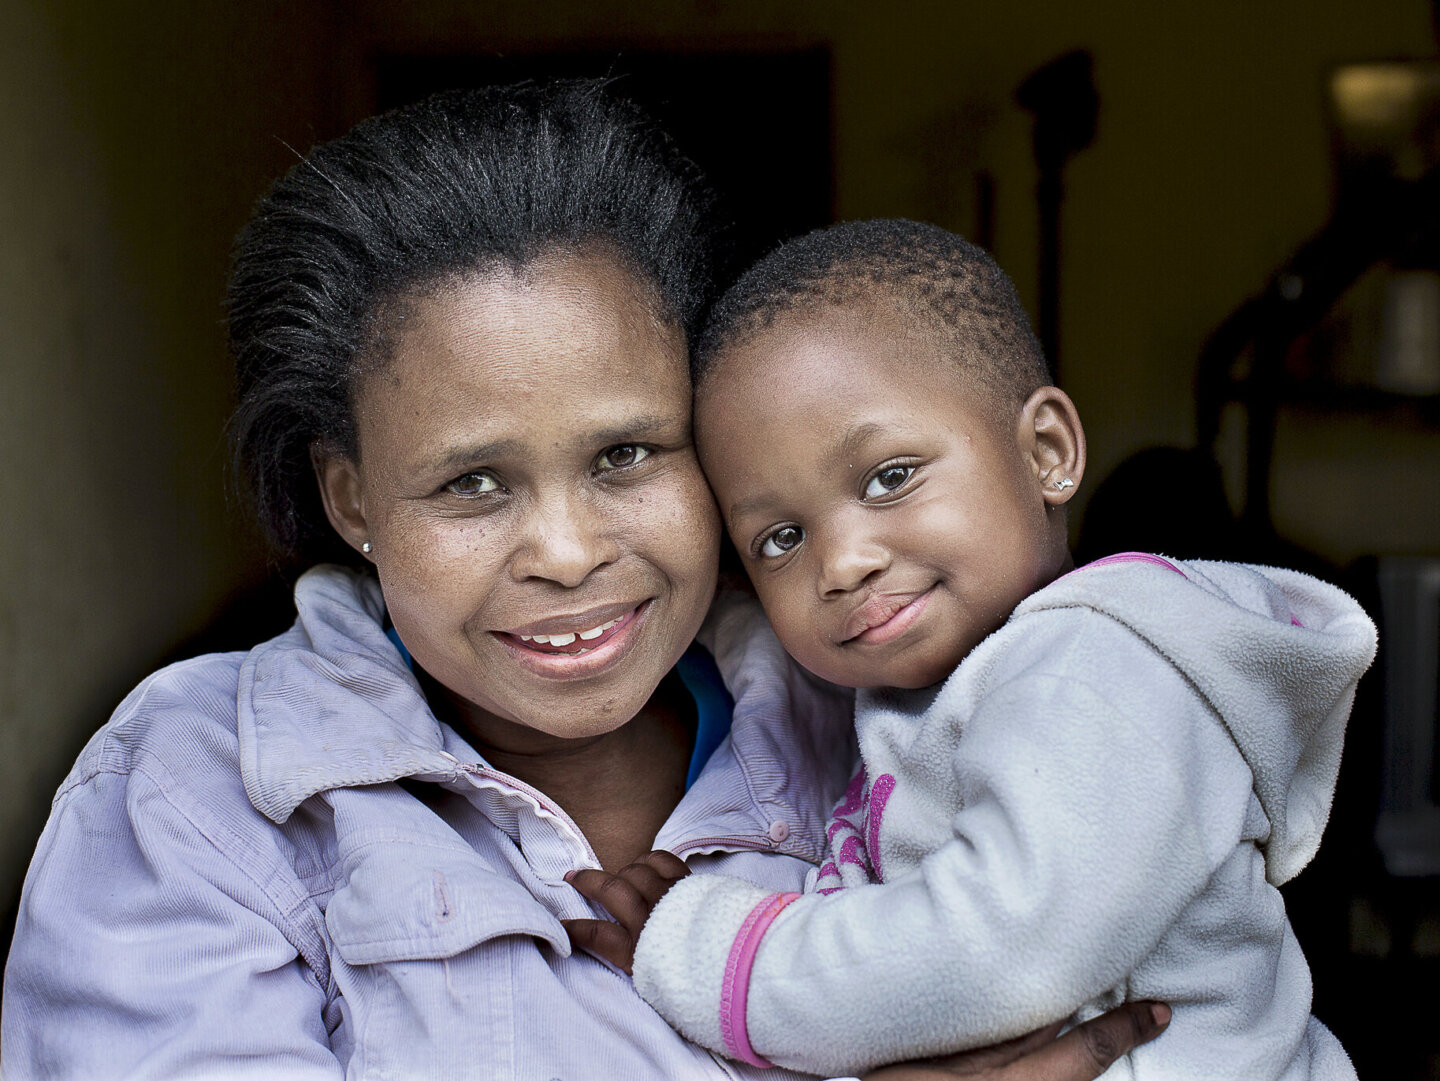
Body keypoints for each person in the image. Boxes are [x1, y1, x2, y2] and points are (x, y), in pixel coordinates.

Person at [1, 87, 1168, 1079]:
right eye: (471, 482)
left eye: (626, 454)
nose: (565, 552)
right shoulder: (200, 798)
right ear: (351, 498)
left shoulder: (899, 724)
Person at [565, 220, 1377, 1079]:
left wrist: (713, 951)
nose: (841, 564)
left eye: (890, 477)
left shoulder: (1103, 670)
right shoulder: (928, 686)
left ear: (1046, 452)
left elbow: (1002, 945)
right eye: (782, 537)